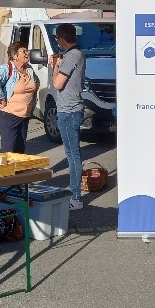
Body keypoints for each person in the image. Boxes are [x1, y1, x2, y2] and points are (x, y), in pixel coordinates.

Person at [49, 23, 86, 211]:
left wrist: (55, 67)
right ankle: (75, 194)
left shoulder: (72, 55)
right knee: (72, 154)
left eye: (57, 39)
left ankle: (76, 197)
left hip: (70, 111)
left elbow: (57, 84)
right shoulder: (75, 55)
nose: (57, 42)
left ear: (61, 39)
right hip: (69, 110)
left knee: (73, 155)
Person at [0, 42, 40, 154]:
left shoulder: (29, 69)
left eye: (27, 51)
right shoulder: (7, 69)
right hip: (8, 115)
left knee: (20, 151)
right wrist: (1, 98)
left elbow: (36, 83)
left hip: (24, 115)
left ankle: (18, 172)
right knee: (9, 151)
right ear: (15, 55)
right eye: (24, 51)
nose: (27, 53)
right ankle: (6, 172)